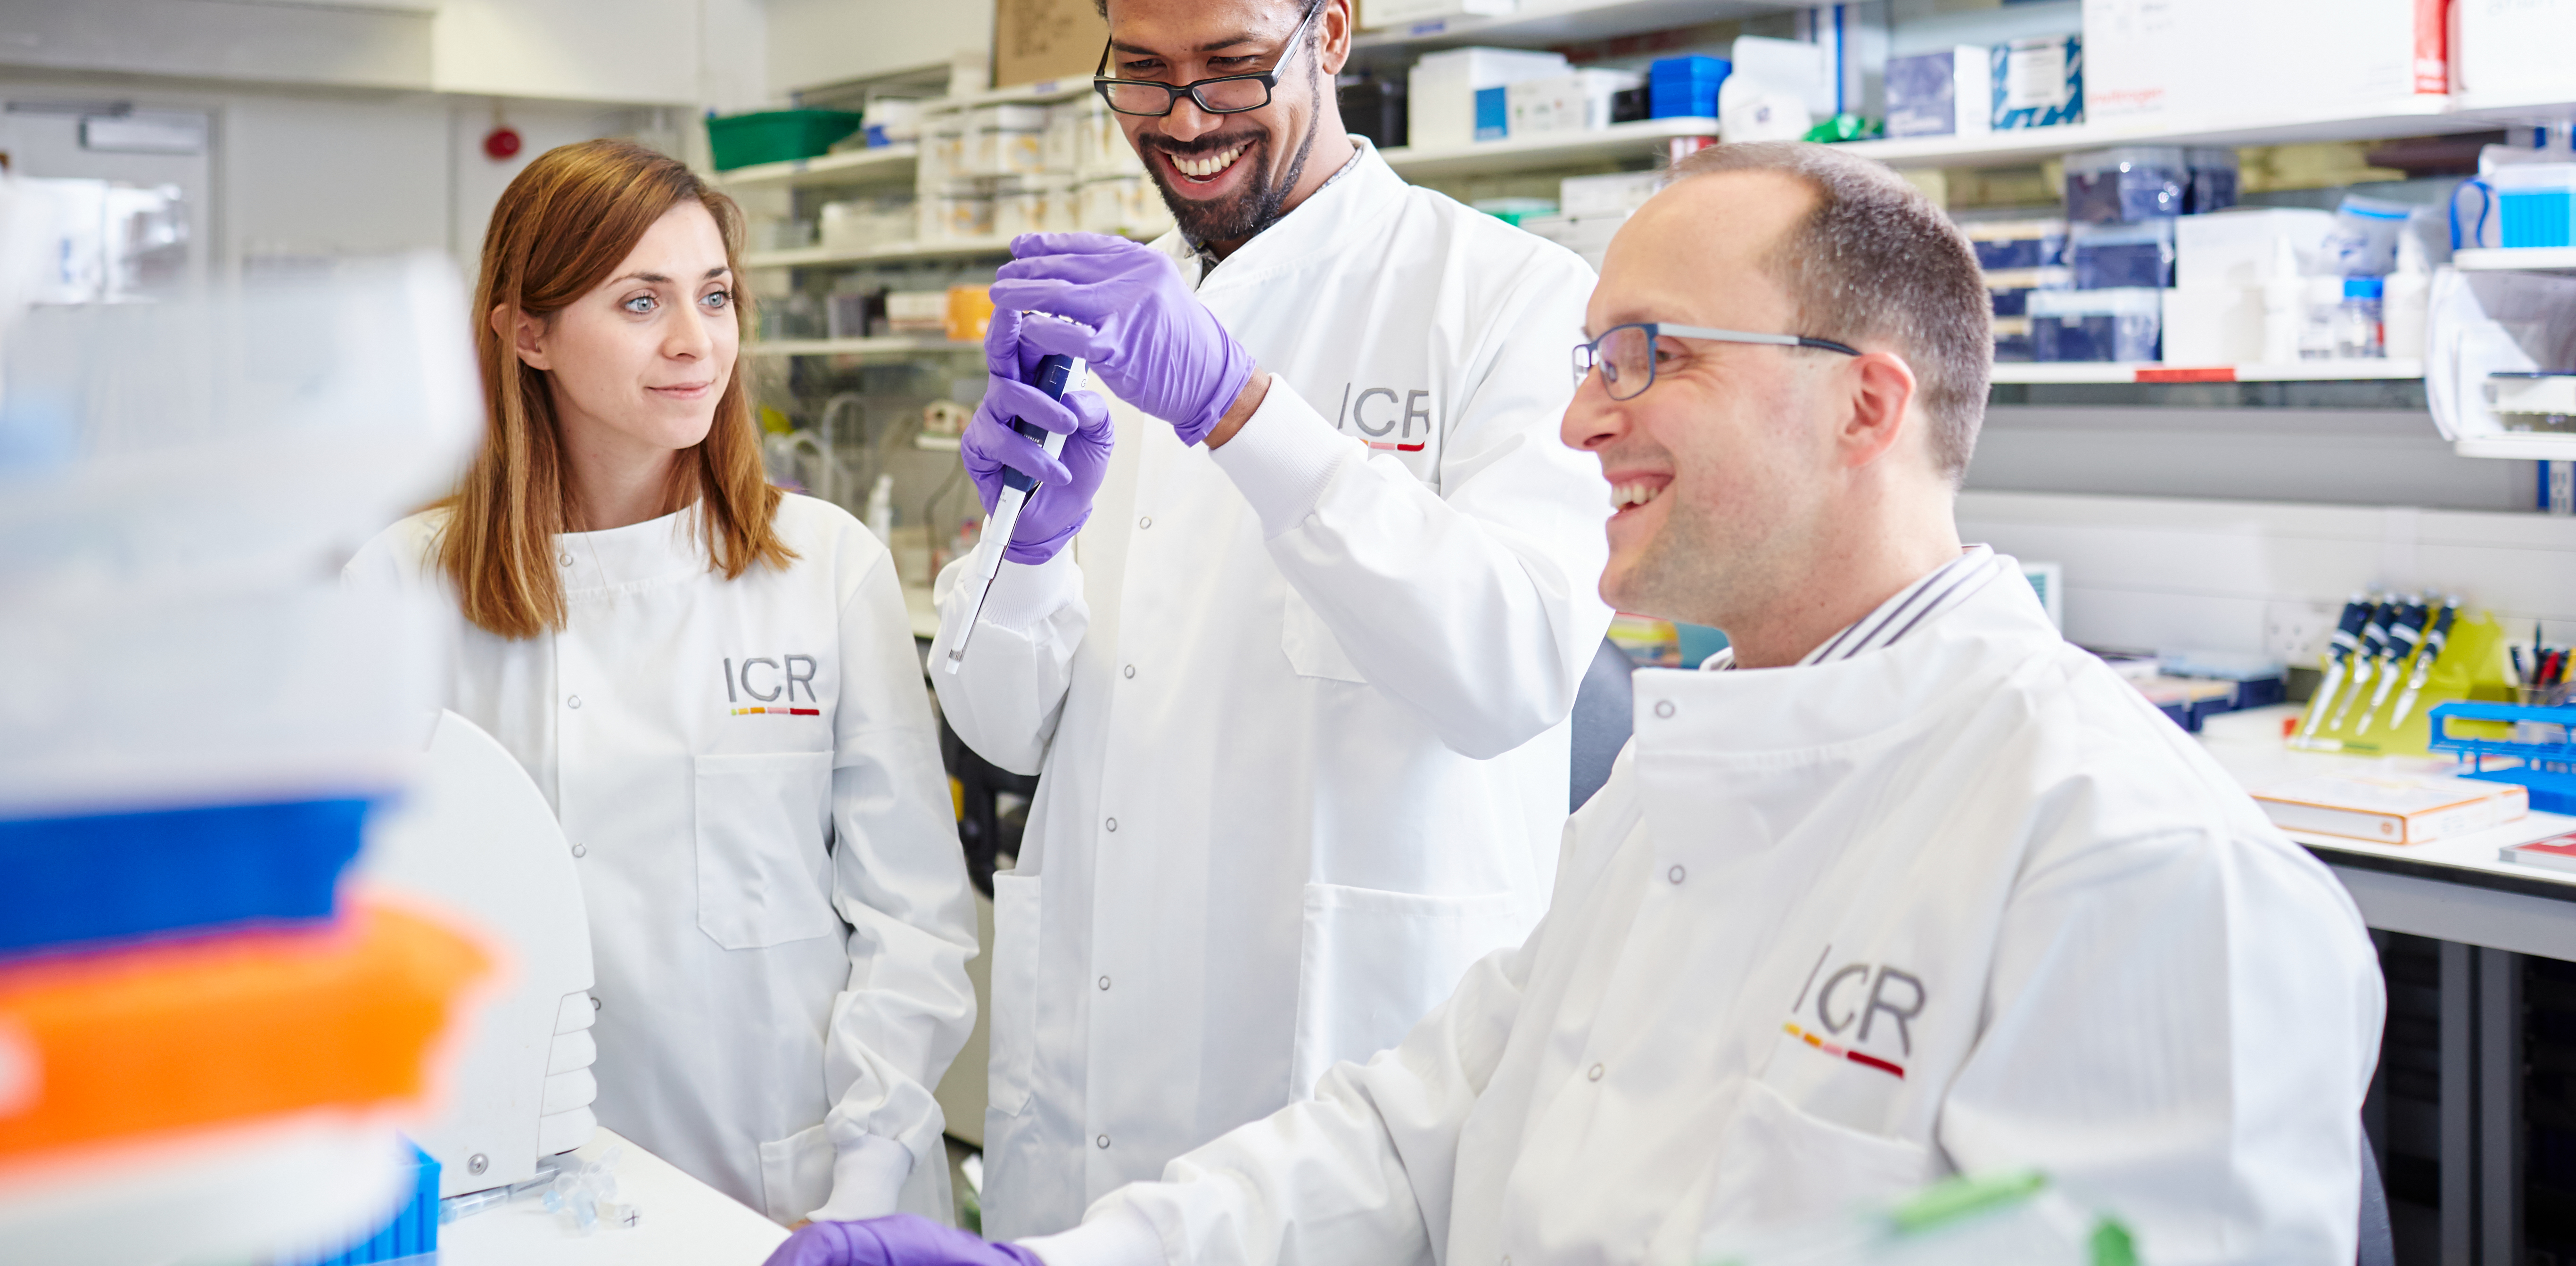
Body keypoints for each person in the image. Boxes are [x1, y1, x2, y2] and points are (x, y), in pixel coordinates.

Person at [792, 140, 2387, 1266]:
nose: (1574, 419)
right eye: (1588, 356)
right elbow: (1412, 1133)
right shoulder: (1671, 796)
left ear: (1866, 406)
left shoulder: (2125, 858)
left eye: (1646, 356)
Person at [933, 0, 1612, 1236]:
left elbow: (1516, 668)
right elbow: (1002, 726)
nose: (1185, 117)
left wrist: (1243, 409)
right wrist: (1025, 553)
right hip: (1092, 1090)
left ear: (1334, 33)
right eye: (1141, 69)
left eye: (1233, 64)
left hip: (1341, 1088)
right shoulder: (1094, 318)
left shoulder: (1512, 301)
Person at [344, 139, 976, 1225]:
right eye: (641, 302)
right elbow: (348, 907)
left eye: (715, 297)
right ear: (527, 331)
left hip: (800, 1182)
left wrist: (864, 1181)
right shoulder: (406, 584)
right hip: (504, 1184)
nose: (697, 343)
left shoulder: (821, 567)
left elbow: (912, 920)